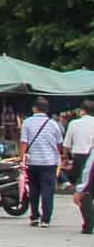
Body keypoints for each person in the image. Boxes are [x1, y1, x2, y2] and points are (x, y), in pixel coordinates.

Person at [18, 97, 66, 227]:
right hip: (49, 162)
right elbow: (59, 144)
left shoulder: (27, 122)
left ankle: (34, 216)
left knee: (33, 190)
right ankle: (45, 219)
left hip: (32, 162)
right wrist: (59, 155)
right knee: (47, 191)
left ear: (34, 108)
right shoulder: (53, 124)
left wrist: (21, 158)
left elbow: (24, 142)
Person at [65, 102, 94, 191]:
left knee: (81, 178)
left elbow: (67, 143)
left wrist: (65, 156)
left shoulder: (73, 123)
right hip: (92, 154)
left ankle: (81, 193)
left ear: (82, 111)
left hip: (77, 155)